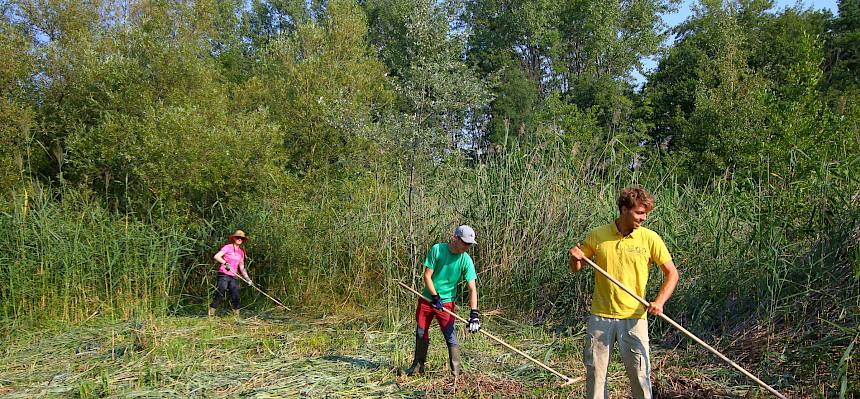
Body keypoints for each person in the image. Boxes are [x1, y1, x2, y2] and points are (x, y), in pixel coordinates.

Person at [568, 188, 679, 399]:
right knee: (596, 373)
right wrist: (575, 257)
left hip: (634, 317)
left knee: (639, 374)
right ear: (623, 209)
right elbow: (577, 267)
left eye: (645, 213)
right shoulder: (598, 235)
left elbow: (672, 274)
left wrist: (659, 301)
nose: (643, 218)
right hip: (601, 317)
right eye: (639, 213)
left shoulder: (649, 238)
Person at [405, 225, 481, 377]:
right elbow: (427, 275)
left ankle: (456, 374)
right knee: (421, 332)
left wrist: (474, 314)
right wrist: (434, 296)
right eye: (465, 243)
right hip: (428, 299)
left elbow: (472, 288)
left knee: (450, 335)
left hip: (446, 303)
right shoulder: (437, 250)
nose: (467, 247)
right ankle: (417, 367)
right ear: (455, 238)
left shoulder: (466, 260)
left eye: (470, 244)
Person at [209, 229, 253, 317]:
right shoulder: (228, 247)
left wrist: (248, 279)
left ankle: (236, 316)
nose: (239, 239)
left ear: (243, 240)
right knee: (221, 292)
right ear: (234, 238)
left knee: (235, 295)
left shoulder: (241, 252)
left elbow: (242, 268)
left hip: (233, 276)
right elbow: (216, 256)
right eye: (237, 237)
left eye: (241, 238)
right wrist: (225, 263)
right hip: (224, 274)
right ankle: (211, 314)